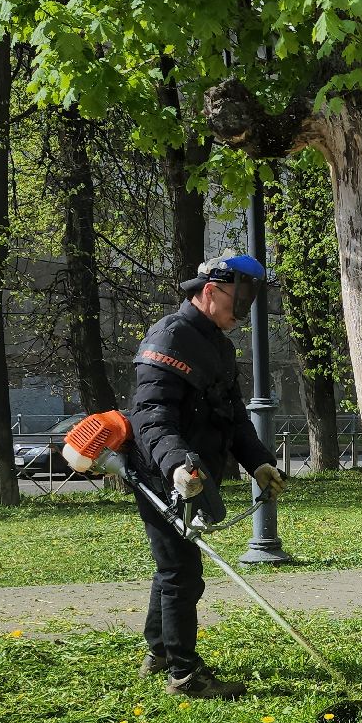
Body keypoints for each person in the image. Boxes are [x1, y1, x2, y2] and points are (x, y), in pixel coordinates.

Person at [127, 253, 288, 697]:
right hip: (162, 473)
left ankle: (159, 651)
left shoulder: (217, 344)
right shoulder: (170, 336)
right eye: (241, 297)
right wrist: (177, 463)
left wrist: (258, 462)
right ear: (211, 290)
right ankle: (183, 674)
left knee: (172, 568)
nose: (244, 309)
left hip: (193, 474)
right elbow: (150, 414)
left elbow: (234, 417)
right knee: (182, 572)